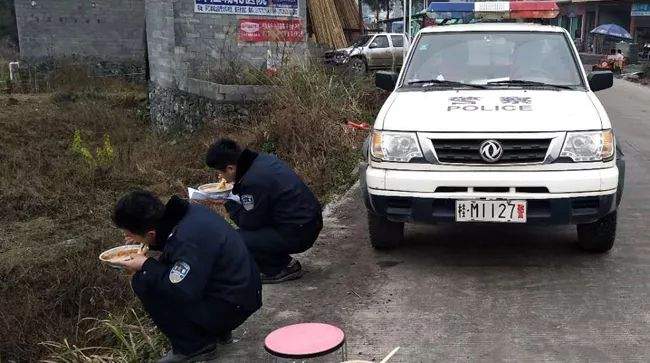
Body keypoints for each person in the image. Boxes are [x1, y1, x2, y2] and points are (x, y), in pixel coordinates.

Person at [111, 190, 262, 363]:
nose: (127, 238)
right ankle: (217, 331)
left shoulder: (185, 239)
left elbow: (181, 289)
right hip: (241, 291)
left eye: (130, 234)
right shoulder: (189, 213)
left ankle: (194, 347)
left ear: (151, 234)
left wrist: (145, 265)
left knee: (144, 280)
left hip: (235, 304)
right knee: (161, 269)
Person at [205, 139, 323, 284]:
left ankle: (281, 268)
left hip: (300, 232)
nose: (221, 178)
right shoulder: (262, 160)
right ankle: (283, 262)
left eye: (220, 173)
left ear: (230, 168)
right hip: (310, 220)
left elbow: (249, 222)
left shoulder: (252, 181)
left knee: (237, 238)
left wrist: (227, 203)